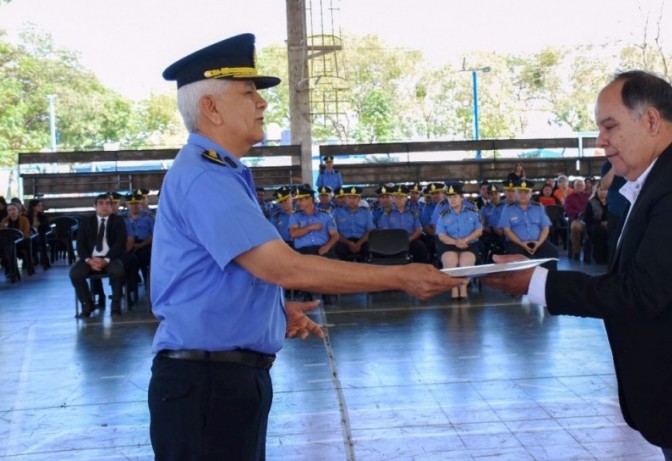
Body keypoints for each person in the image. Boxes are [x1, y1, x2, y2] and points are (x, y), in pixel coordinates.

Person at [151, 33, 465, 460]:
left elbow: (218, 275)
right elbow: (284, 268)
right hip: (208, 382)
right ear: (211, 107)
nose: (262, 104)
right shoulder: (207, 177)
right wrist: (399, 275)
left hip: (220, 376)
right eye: (249, 94)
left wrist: (270, 313)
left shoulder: (220, 173)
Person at [483, 71, 672, 458]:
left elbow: (641, 291)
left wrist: (538, 283)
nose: (601, 141)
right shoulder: (655, 182)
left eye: (610, 126)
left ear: (651, 120)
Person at [70, 193, 127, 317]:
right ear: (94, 206)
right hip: (90, 258)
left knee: (118, 271)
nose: (104, 206)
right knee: (75, 273)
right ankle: (87, 303)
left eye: (107, 203)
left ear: (111, 207)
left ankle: (115, 303)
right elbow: (80, 244)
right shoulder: (86, 222)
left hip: (110, 258)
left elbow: (120, 243)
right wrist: (89, 260)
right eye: (101, 203)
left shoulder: (118, 221)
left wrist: (106, 260)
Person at [435, 183, 483, 300]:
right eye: (450, 197)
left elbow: (479, 231)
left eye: (455, 197)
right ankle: (454, 288)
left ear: (461, 198)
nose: (452, 200)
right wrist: (457, 242)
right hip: (449, 245)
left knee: (465, 263)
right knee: (450, 262)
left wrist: (465, 240)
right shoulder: (443, 215)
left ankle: (463, 288)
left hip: (469, 244)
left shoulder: (472, 211)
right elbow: (441, 236)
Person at [498, 179, 558, 271]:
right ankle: (522, 283)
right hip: (516, 243)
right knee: (517, 255)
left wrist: (539, 243)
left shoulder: (539, 207)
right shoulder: (507, 209)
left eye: (526, 192)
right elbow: (506, 230)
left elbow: (545, 228)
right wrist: (522, 244)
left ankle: (548, 280)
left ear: (531, 194)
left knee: (552, 251)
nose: (523, 195)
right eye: (520, 192)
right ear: (516, 194)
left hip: (538, 242)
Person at [377, 184, 427, 263]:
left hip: (410, 240)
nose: (398, 200)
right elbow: (385, 231)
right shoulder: (387, 214)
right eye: (396, 197)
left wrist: (408, 239)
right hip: (393, 241)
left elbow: (419, 229)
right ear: (393, 199)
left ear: (406, 198)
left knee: (421, 247)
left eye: (401, 197)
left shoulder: (412, 213)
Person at [123, 193, 155, 303]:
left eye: (136, 203)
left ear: (140, 204)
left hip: (145, 245)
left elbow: (153, 235)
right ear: (127, 205)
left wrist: (140, 245)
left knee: (147, 260)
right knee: (127, 262)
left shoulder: (148, 217)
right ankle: (130, 291)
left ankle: (149, 289)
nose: (134, 206)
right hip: (128, 246)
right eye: (131, 204)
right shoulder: (122, 218)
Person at [332, 186, 375, 260]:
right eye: (349, 198)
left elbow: (370, 231)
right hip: (344, 241)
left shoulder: (366, 213)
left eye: (355, 198)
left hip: (362, 241)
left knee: (369, 247)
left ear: (359, 199)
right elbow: (334, 232)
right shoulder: (336, 213)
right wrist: (349, 243)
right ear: (345, 199)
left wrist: (359, 243)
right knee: (338, 248)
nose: (352, 200)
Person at [25, 199, 51, 270]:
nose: (41, 207)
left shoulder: (43, 217)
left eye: (41, 205)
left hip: (41, 235)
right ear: (33, 207)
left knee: (38, 240)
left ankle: (36, 260)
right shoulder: (26, 217)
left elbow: (46, 228)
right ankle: (30, 261)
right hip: (29, 235)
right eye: (39, 205)